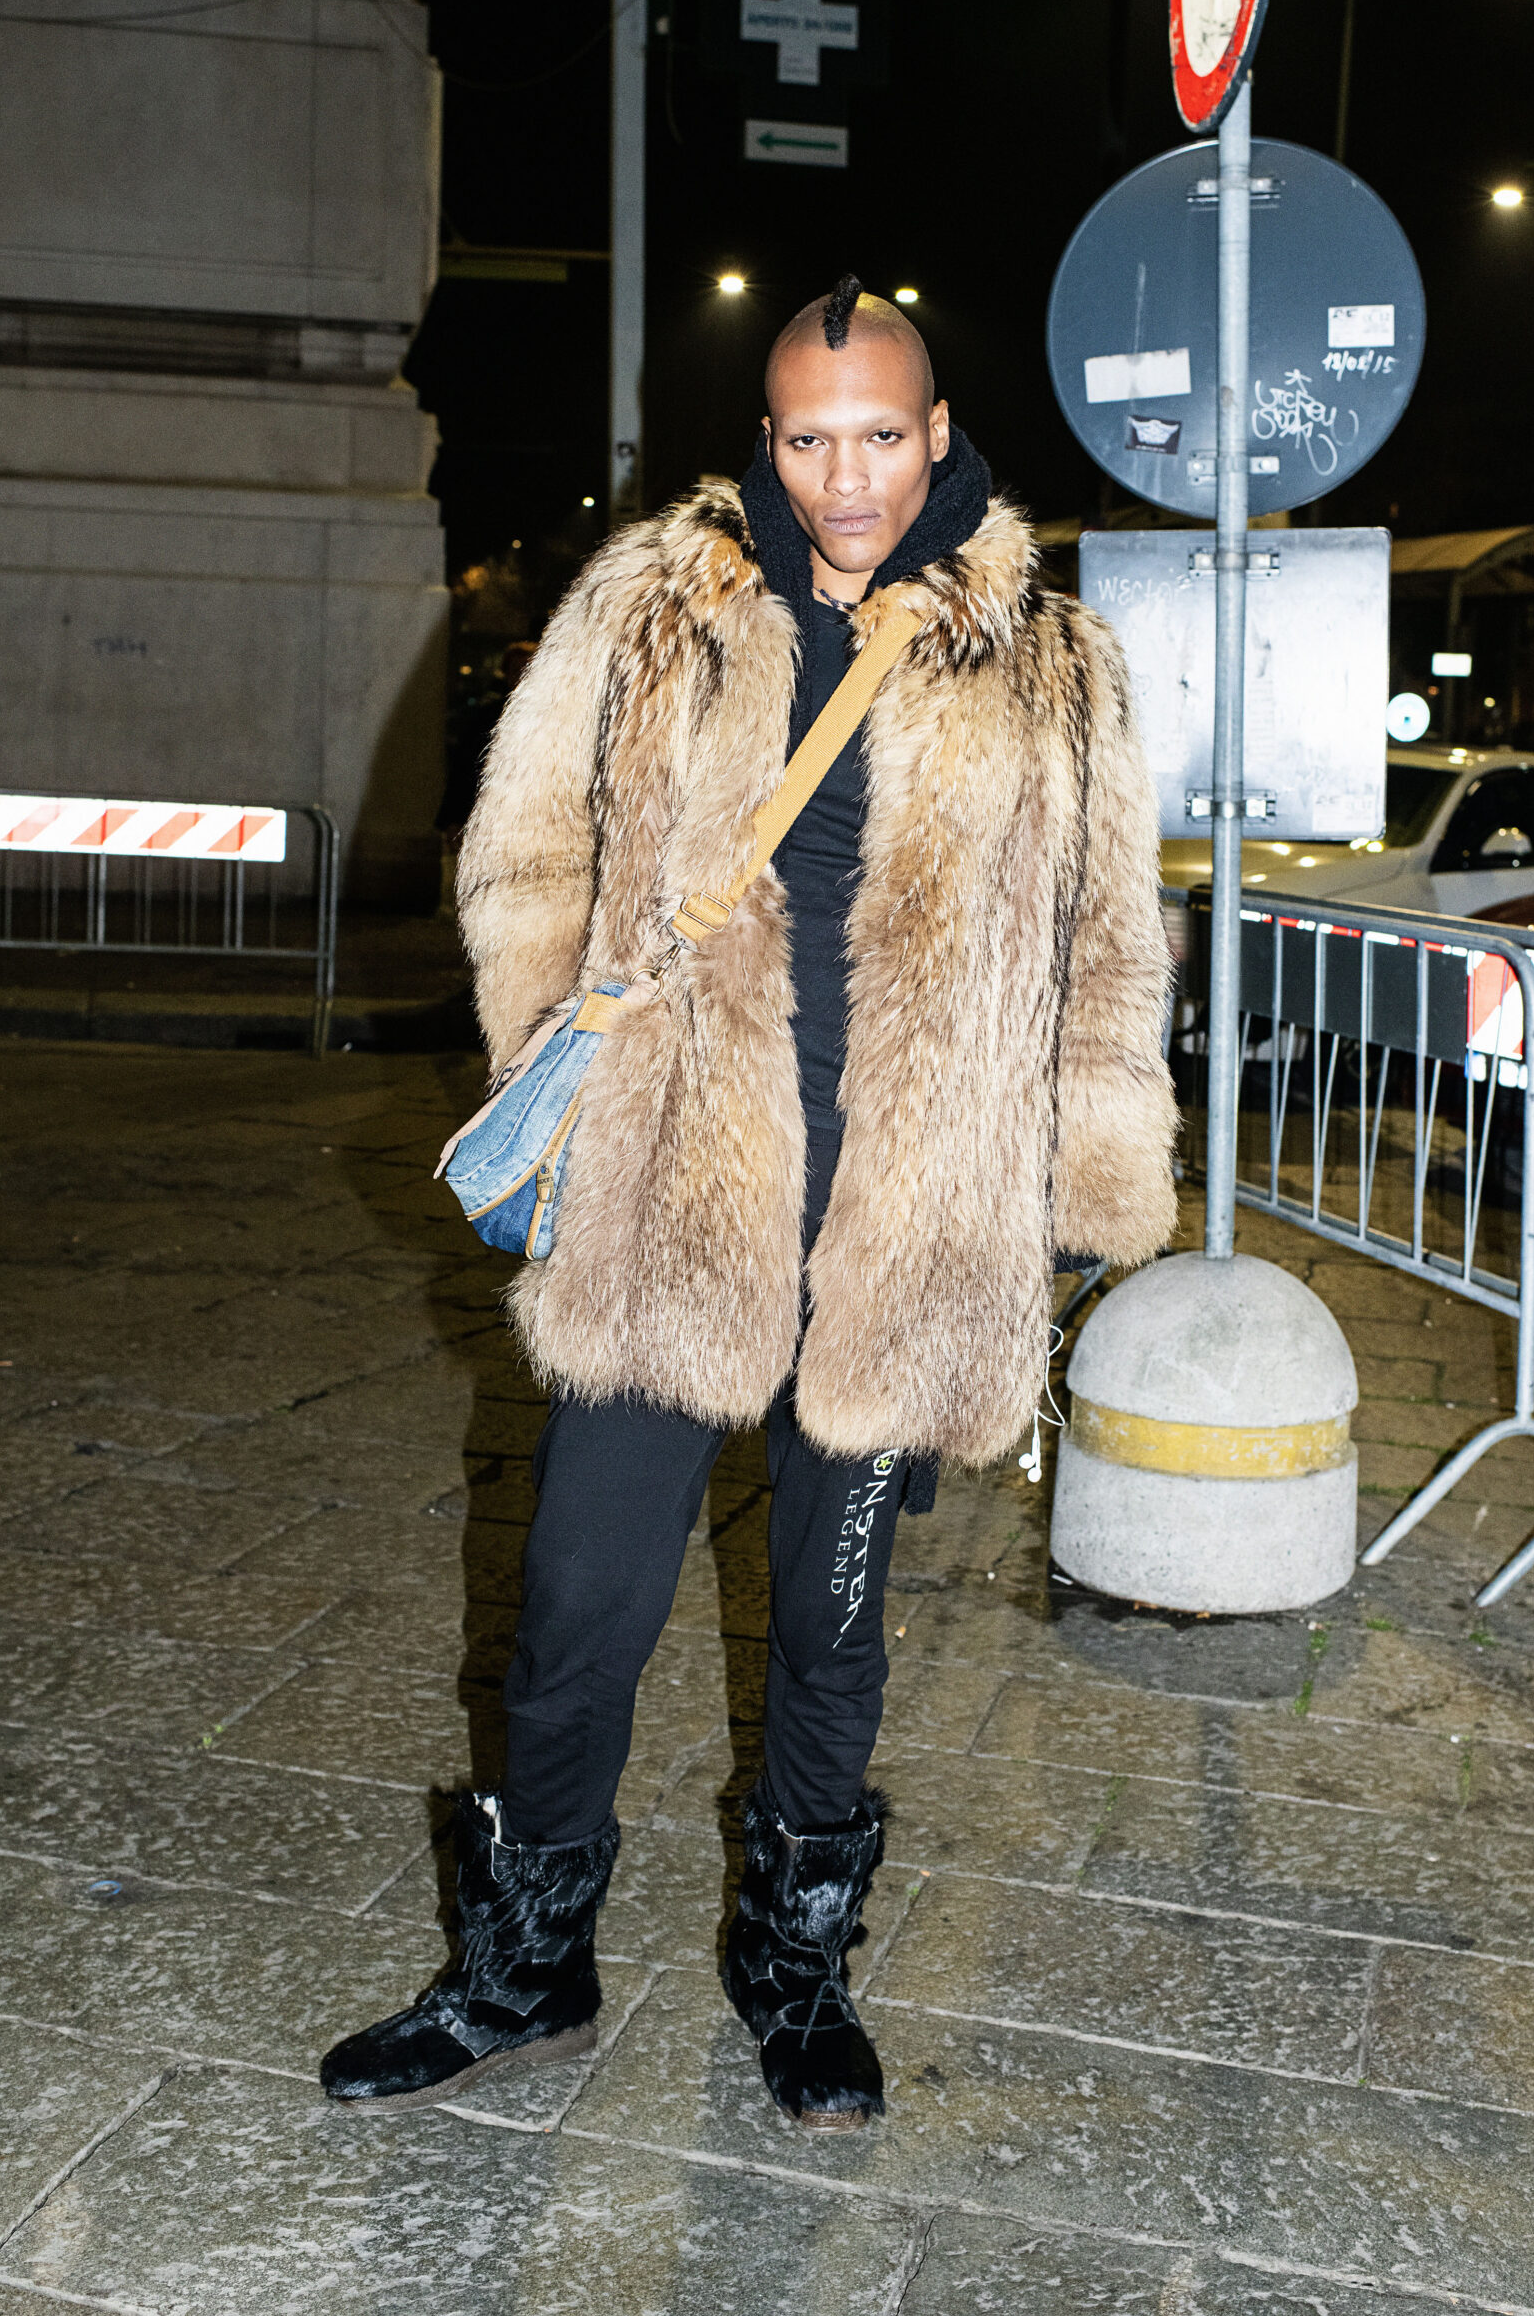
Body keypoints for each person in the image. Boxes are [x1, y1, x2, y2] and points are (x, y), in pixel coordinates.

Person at [319, 275, 1177, 2130]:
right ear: (765, 438)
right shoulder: (661, 608)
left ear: (938, 434)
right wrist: (555, 1071)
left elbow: (1109, 949)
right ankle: (522, 1964)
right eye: (809, 437)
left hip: (909, 1223)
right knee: (572, 1604)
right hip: (671, 1195)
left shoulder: (1057, 665)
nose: (846, 476)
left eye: (881, 434)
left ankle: (794, 1971)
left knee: (832, 1624)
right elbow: (526, 855)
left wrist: (1086, 1183)